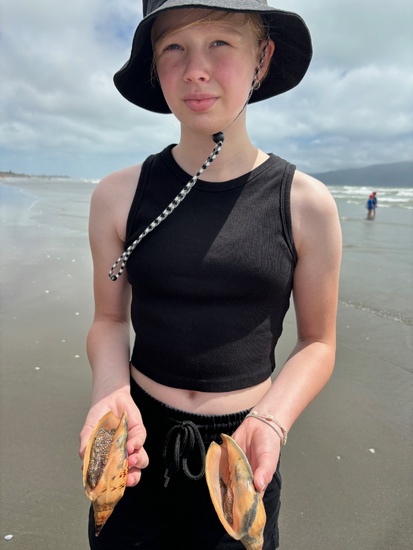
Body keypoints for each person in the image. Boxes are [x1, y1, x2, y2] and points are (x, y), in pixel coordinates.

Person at [79, 1, 342, 548]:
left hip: (243, 456)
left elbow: (318, 342)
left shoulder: (306, 204)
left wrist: (271, 421)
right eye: (173, 48)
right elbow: (109, 320)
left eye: (220, 43)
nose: (195, 70)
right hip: (133, 444)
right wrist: (110, 391)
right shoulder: (117, 196)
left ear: (262, 57)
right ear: (155, 66)